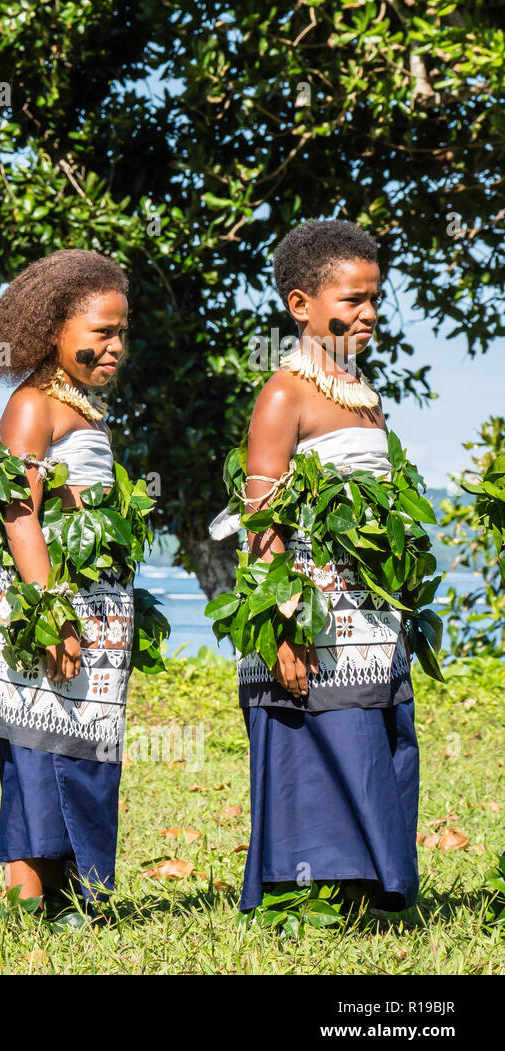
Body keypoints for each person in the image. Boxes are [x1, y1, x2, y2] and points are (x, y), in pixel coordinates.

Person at [225, 219, 420, 914]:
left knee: (372, 742)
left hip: (368, 620)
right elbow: (261, 518)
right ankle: (307, 899)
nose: (368, 313)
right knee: (323, 748)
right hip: (310, 617)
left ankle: (370, 896)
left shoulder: (360, 394)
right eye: (352, 300)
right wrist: (284, 626)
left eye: (375, 299)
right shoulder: (285, 393)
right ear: (300, 304)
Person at [0, 250, 146, 916]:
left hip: (94, 613)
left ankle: (78, 899)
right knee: (39, 755)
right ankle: (29, 907)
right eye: (100, 332)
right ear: (52, 329)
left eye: (121, 332)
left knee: (82, 753)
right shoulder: (34, 405)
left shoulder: (84, 410)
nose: (114, 346)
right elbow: (18, 510)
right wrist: (52, 610)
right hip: (49, 608)